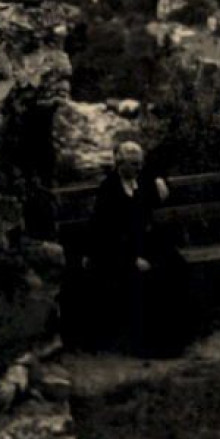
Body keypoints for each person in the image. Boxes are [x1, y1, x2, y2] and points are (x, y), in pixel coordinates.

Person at [85, 141, 180, 354]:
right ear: (120, 164)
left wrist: (159, 179)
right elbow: (106, 233)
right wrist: (132, 258)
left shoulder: (141, 183)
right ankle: (145, 343)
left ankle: (170, 339)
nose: (139, 168)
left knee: (173, 265)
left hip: (140, 246)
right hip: (114, 252)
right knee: (140, 277)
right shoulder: (109, 190)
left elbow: (160, 192)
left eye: (140, 164)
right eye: (134, 165)